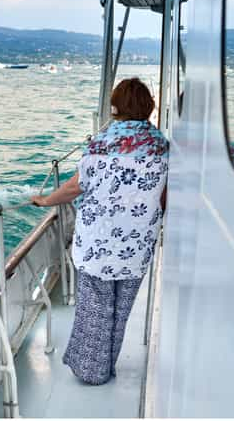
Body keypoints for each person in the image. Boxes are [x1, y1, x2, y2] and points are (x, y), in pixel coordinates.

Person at [30, 77, 169, 385]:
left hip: (98, 245)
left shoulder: (101, 144)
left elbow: (74, 188)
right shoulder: (162, 146)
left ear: (115, 108)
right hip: (136, 245)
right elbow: (164, 195)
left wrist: (44, 200)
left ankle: (93, 372)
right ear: (148, 107)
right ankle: (107, 365)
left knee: (96, 310)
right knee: (120, 311)